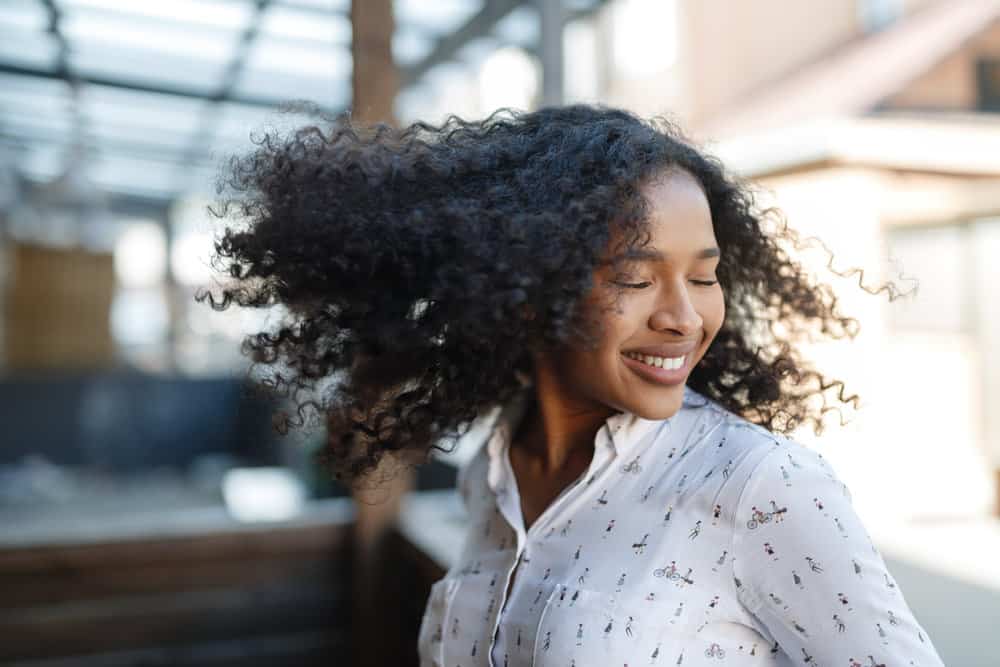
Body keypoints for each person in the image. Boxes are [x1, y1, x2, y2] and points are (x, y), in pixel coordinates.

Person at [198, 104, 945, 666]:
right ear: (530, 285)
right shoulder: (493, 471)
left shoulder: (762, 485)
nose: (684, 316)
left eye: (704, 275)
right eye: (635, 277)